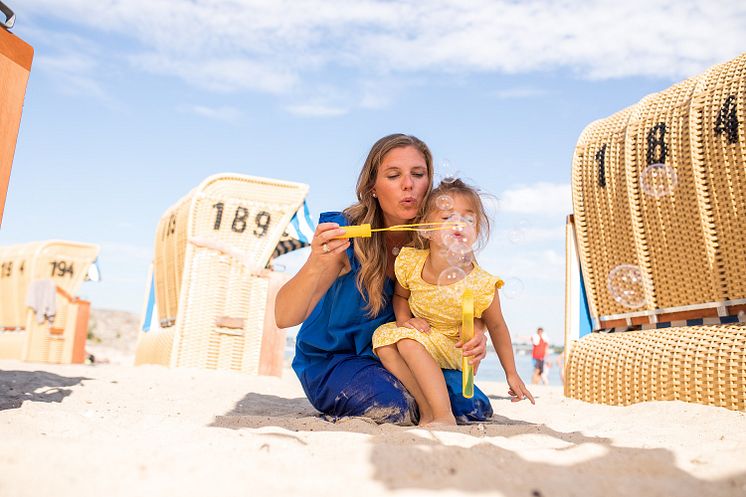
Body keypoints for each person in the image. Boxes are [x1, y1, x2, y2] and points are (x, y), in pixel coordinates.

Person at [276, 133, 498, 425]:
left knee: (472, 406)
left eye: (418, 175)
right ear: (373, 188)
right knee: (394, 406)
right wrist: (317, 261)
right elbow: (283, 316)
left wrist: (476, 334)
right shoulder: (347, 235)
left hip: (400, 356)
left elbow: (470, 300)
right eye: (394, 175)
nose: (408, 184)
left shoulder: (439, 240)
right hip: (336, 360)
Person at [372, 179, 535, 426]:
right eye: (447, 217)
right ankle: (428, 410)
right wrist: (405, 320)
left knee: (406, 341)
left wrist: (511, 373)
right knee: (383, 340)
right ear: (426, 229)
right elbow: (400, 296)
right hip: (424, 337)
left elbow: (498, 326)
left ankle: (444, 415)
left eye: (468, 219)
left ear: (476, 231)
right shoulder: (411, 262)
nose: (459, 223)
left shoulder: (481, 283)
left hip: (456, 347)